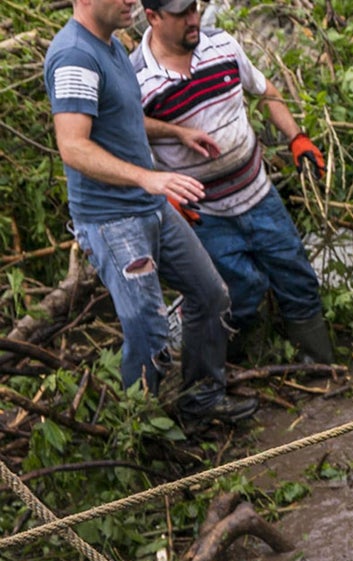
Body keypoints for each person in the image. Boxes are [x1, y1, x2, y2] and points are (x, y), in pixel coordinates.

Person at [43, 0, 256, 426]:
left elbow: (125, 118)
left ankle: (201, 402)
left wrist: (176, 132)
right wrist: (149, 178)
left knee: (211, 295)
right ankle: (136, 431)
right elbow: (73, 146)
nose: (133, 2)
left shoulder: (111, 45)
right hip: (113, 220)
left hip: (149, 205)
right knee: (149, 329)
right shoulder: (74, 56)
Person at [131, 0, 334, 365]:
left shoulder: (221, 46)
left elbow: (264, 89)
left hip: (258, 195)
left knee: (296, 275)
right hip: (205, 215)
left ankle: (319, 365)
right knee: (237, 292)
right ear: (154, 17)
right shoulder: (135, 79)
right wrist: (165, 191)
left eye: (194, 10)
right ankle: (234, 365)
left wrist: (296, 137)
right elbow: (128, 140)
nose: (193, 20)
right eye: (181, 15)